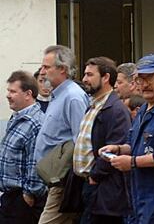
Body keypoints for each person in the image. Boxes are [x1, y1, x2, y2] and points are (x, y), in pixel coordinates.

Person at [99, 54, 154, 223]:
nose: (144, 85)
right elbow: (133, 143)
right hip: (137, 197)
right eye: (140, 79)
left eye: (150, 79)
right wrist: (117, 149)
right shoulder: (144, 107)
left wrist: (132, 162)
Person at [34, 45, 89, 224]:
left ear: (63, 69)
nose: (42, 72)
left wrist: (67, 179)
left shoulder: (73, 96)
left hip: (63, 181)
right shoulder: (58, 95)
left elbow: (80, 139)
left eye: (46, 67)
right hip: (54, 180)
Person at [74, 57, 131, 224]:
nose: (85, 79)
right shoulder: (93, 105)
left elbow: (113, 147)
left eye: (90, 75)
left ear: (106, 78)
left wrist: (95, 176)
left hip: (103, 190)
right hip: (89, 186)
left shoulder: (115, 109)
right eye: (84, 74)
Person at [0, 71, 47, 224]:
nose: (8, 95)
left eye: (13, 91)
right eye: (8, 91)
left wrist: (29, 194)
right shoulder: (18, 117)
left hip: (23, 200)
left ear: (28, 94)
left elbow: (36, 160)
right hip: (11, 197)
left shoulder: (35, 123)